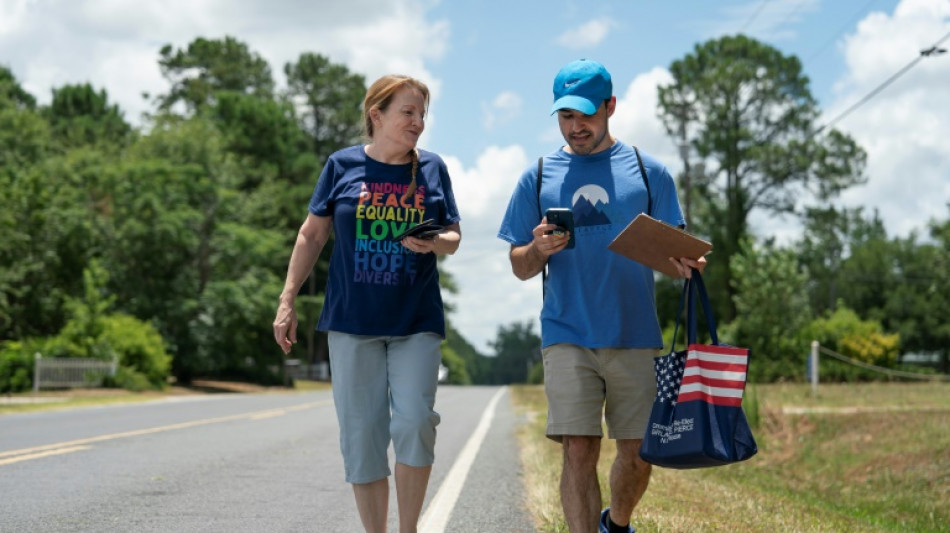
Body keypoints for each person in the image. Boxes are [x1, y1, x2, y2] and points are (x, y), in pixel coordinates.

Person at [497, 59, 706, 533]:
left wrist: (688, 265)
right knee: (578, 449)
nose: (576, 127)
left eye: (586, 115)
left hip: (634, 333)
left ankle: (618, 522)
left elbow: (674, 253)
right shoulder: (538, 175)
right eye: (566, 117)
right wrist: (539, 249)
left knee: (637, 453)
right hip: (567, 332)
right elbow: (519, 266)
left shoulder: (649, 173)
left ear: (611, 106)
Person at [273, 74, 461, 533]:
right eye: (408, 113)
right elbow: (312, 234)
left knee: (415, 420)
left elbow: (454, 237)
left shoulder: (432, 168)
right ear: (377, 115)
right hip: (352, 322)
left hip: (415, 319)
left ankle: (408, 529)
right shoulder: (341, 166)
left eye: (422, 115)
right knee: (362, 436)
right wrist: (287, 299)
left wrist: (433, 242)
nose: (418, 123)